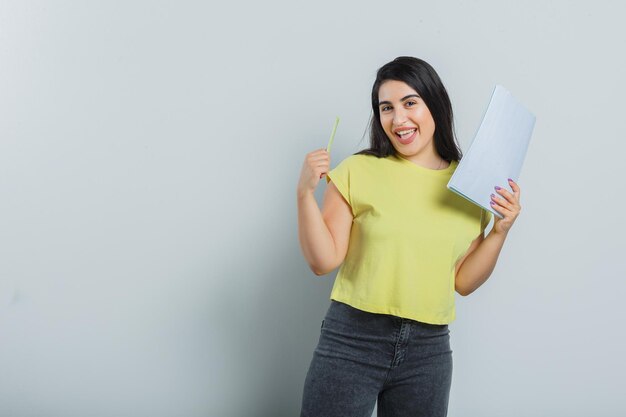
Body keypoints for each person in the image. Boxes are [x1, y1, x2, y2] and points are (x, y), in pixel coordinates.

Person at [296, 56, 521, 417]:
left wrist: (500, 231)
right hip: (352, 340)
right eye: (386, 108)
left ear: (435, 103)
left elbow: (462, 282)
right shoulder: (357, 170)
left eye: (409, 103)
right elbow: (322, 261)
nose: (398, 119)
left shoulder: (470, 183)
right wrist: (304, 194)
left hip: (428, 351)